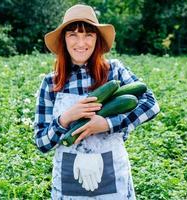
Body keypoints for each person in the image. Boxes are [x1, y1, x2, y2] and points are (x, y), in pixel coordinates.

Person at [34, 4, 160, 199]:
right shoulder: (50, 82)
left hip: (113, 177)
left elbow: (151, 104)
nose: (81, 42)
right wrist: (65, 119)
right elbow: (41, 142)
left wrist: (108, 123)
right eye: (73, 34)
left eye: (88, 35)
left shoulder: (114, 71)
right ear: (64, 40)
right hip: (68, 181)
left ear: (97, 39)